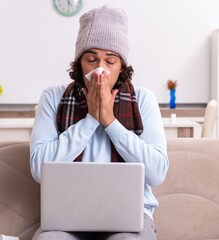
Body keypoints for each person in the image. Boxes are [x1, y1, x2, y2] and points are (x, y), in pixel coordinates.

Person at [30, 5, 169, 240]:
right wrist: (90, 120)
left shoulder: (143, 99)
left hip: (130, 217)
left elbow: (157, 173)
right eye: (92, 59)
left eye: (110, 61)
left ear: (122, 67)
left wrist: (111, 122)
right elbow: (38, 169)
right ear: (78, 63)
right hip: (67, 215)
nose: (100, 70)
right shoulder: (53, 97)